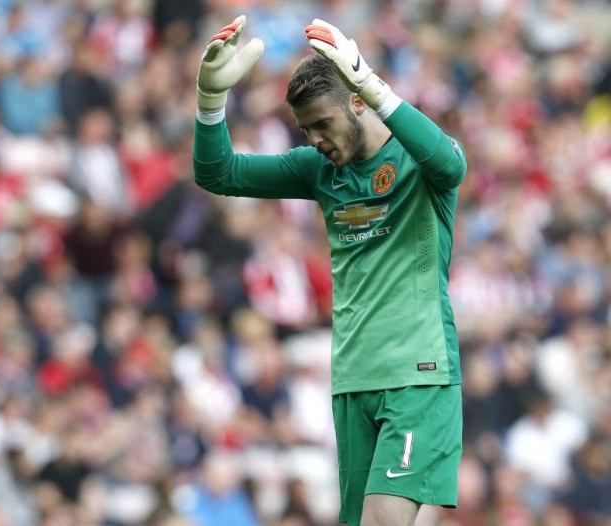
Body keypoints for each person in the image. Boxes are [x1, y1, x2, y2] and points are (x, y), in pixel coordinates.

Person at [192, 16, 467, 526]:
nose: (316, 138)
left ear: (357, 102)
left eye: (324, 123)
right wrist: (211, 101)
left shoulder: (416, 157)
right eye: (306, 129)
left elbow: (453, 169)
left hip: (419, 372)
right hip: (351, 378)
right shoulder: (319, 171)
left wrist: (375, 84)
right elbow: (217, 172)